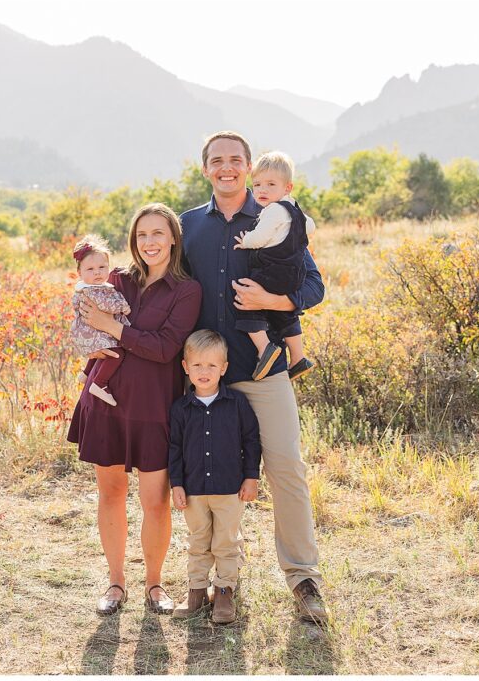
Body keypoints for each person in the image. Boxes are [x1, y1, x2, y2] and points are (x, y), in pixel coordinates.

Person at [180, 131, 329, 625]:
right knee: (213, 481)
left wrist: (272, 302)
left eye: (235, 160)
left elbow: (313, 285)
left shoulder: (278, 214)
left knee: (286, 466)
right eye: (216, 160)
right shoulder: (187, 227)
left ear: (248, 167)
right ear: (205, 169)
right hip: (207, 381)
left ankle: (303, 578)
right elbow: (163, 284)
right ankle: (223, 584)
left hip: (266, 371)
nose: (227, 167)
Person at [67, 203, 202, 616]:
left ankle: (155, 584)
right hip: (106, 398)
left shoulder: (186, 290)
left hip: (155, 407)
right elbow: (85, 323)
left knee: (155, 501)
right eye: (142, 235)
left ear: (173, 238)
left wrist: (116, 330)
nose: (149, 243)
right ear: (133, 240)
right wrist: (110, 336)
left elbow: (165, 349)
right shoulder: (115, 281)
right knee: (110, 493)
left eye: (158, 233)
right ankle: (115, 582)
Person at [168, 330, 260, 624]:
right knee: (198, 540)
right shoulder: (181, 409)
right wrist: (177, 483)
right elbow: (175, 449)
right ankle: (196, 591)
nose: (204, 372)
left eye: (211, 366)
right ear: (185, 367)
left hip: (229, 488)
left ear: (224, 368)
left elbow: (251, 441)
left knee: (225, 542)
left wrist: (251, 477)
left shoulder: (236, 403)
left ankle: (223, 591)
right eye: (197, 365)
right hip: (194, 489)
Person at [232, 151, 317, 381]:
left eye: (271, 184)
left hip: (273, 271)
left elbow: (259, 238)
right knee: (285, 314)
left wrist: (245, 241)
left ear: (287, 187)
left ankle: (264, 348)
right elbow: (310, 227)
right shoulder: (294, 210)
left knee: (247, 303)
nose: (262, 190)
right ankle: (298, 357)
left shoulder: (273, 210)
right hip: (293, 274)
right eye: (257, 184)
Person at [70, 234, 131, 406]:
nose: (97, 272)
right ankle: (99, 383)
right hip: (92, 329)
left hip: (93, 329)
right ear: (79, 273)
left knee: (102, 348)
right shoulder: (92, 290)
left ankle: (86, 372)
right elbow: (105, 305)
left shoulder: (97, 286)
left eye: (102, 267)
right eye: (90, 269)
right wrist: (122, 307)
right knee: (117, 353)